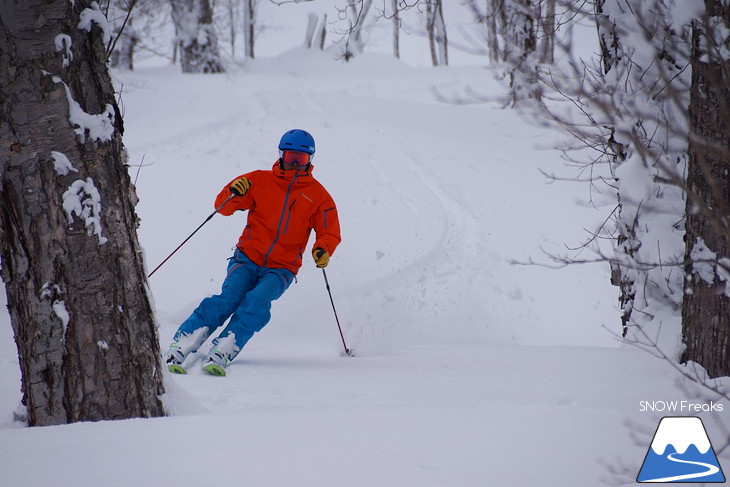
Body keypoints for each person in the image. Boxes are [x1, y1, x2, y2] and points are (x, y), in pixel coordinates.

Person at [164, 129, 342, 376]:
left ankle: (226, 346)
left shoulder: (319, 196)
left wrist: (323, 248)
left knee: (257, 300)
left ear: (310, 160)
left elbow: (329, 231)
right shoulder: (259, 180)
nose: (293, 163)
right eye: (290, 156)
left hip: (282, 268)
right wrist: (233, 191)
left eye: (300, 159)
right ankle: (183, 342)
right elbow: (222, 206)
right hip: (246, 257)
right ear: (280, 155)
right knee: (229, 299)